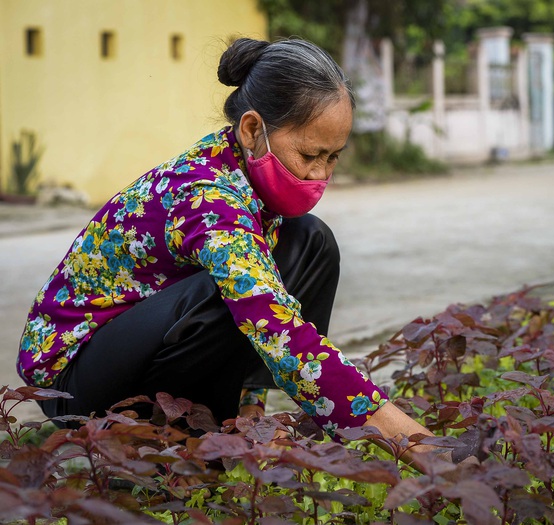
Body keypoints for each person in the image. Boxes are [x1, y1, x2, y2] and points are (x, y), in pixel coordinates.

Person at [17, 37, 434, 464]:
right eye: (310, 154)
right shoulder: (207, 198)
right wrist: (419, 447)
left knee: (310, 240)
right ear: (253, 130)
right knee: (234, 295)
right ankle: (154, 446)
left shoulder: (242, 171)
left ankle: (234, 429)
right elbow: (279, 332)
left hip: (143, 352)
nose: (319, 174)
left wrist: (252, 412)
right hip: (76, 383)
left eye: (333, 157)